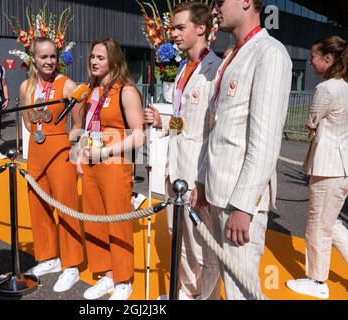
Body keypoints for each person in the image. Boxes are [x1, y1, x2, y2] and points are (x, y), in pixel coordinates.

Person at [192, 0, 292, 300]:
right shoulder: (234, 55)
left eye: (219, 2)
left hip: (239, 199)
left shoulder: (270, 54)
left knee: (241, 291)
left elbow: (265, 140)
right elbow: (216, 127)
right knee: (225, 280)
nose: (213, 10)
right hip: (217, 191)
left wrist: (244, 206)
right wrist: (201, 180)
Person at [144, 2, 222, 300]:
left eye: (179, 27)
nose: (172, 33)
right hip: (174, 168)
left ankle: (204, 296)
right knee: (182, 238)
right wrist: (163, 120)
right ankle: (187, 293)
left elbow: (212, 131)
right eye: (172, 27)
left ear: (201, 28)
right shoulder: (183, 68)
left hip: (196, 173)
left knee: (201, 244)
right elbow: (189, 121)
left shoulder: (214, 71)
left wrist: (203, 179)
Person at [77, 38, 145, 300]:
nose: (94, 61)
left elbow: (139, 136)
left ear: (114, 61)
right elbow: (88, 127)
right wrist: (80, 158)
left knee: (116, 222)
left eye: (101, 58)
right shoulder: (91, 89)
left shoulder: (126, 90)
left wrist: (104, 151)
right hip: (92, 164)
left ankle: (123, 279)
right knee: (94, 221)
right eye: (92, 56)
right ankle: (106, 274)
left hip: (115, 164)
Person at [20, 37, 85, 293]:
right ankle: (49, 257)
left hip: (60, 151)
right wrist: (39, 130)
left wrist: (69, 145)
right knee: (38, 205)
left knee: (66, 207)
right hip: (36, 150)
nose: (48, 62)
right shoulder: (26, 86)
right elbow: (27, 120)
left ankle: (72, 265)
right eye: (43, 57)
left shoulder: (67, 85)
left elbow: (78, 124)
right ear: (33, 59)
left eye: (52, 57)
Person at [286, 35, 348, 299]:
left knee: (317, 225)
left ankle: (317, 280)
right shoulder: (345, 86)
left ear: (328, 58)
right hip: (341, 165)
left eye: (313, 56)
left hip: (328, 166)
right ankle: (319, 278)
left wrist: (313, 125)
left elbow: (311, 120)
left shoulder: (327, 89)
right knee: (330, 223)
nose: (310, 61)